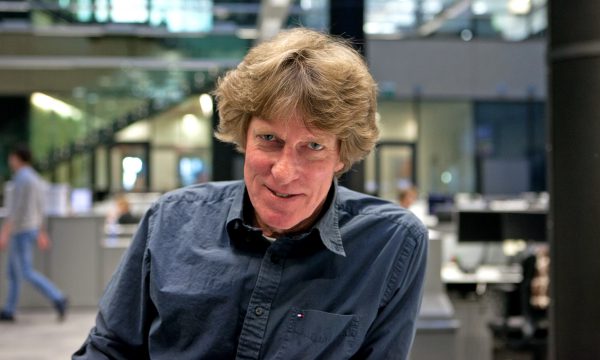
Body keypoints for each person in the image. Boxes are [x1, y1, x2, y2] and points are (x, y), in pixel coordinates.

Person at [74, 28, 427, 359]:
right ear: (243, 138)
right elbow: (109, 350)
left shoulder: (389, 243)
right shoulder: (171, 220)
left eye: (313, 145)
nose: (284, 171)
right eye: (269, 139)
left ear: (341, 156)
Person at [0, 145, 68, 322]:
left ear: (17, 158)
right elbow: (40, 207)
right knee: (13, 272)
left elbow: (16, 209)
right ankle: (9, 309)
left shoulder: (21, 179)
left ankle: (58, 297)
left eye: (11, 157)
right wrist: (41, 231)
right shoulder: (35, 178)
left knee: (25, 271)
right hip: (29, 228)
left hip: (20, 230)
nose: (10, 161)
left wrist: (5, 232)